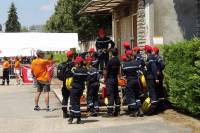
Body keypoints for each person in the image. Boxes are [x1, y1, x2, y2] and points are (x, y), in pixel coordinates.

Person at [122, 50, 144, 117]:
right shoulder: (137, 63)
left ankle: (134, 111)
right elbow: (141, 71)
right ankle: (140, 109)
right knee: (137, 95)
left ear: (128, 56)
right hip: (137, 81)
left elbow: (124, 73)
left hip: (130, 81)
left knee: (130, 96)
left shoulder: (125, 64)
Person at [68, 56, 88, 124]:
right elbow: (86, 78)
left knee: (75, 103)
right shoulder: (85, 70)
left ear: (79, 63)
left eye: (76, 63)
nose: (75, 64)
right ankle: (71, 117)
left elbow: (69, 72)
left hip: (75, 88)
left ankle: (78, 118)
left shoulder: (75, 70)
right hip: (81, 88)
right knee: (75, 103)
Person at [104, 48, 121, 117]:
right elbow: (119, 72)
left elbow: (106, 71)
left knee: (110, 95)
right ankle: (117, 110)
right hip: (115, 79)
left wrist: (105, 79)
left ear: (111, 53)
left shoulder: (110, 61)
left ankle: (110, 112)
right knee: (116, 94)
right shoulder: (118, 61)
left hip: (110, 80)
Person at [144, 45, 159, 115]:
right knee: (152, 93)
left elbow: (154, 68)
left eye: (144, 50)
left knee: (152, 93)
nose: (144, 51)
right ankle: (152, 108)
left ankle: (152, 110)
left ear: (146, 50)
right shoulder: (150, 57)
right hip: (150, 77)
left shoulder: (150, 57)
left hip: (151, 78)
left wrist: (156, 78)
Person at [61, 50, 74, 118]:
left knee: (65, 98)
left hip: (65, 83)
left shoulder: (64, 64)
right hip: (72, 83)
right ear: (72, 56)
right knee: (72, 98)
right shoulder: (74, 64)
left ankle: (64, 113)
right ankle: (72, 113)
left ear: (67, 56)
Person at [152, 47, 166, 111]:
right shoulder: (156, 57)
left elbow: (163, 64)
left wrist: (159, 70)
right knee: (158, 90)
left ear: (155, 52)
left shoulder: (158, 57)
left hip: (159, 76)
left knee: (159, 90)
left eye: (153, 51)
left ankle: (161, 105)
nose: (152, 52)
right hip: (158, 76)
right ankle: (160, 105)